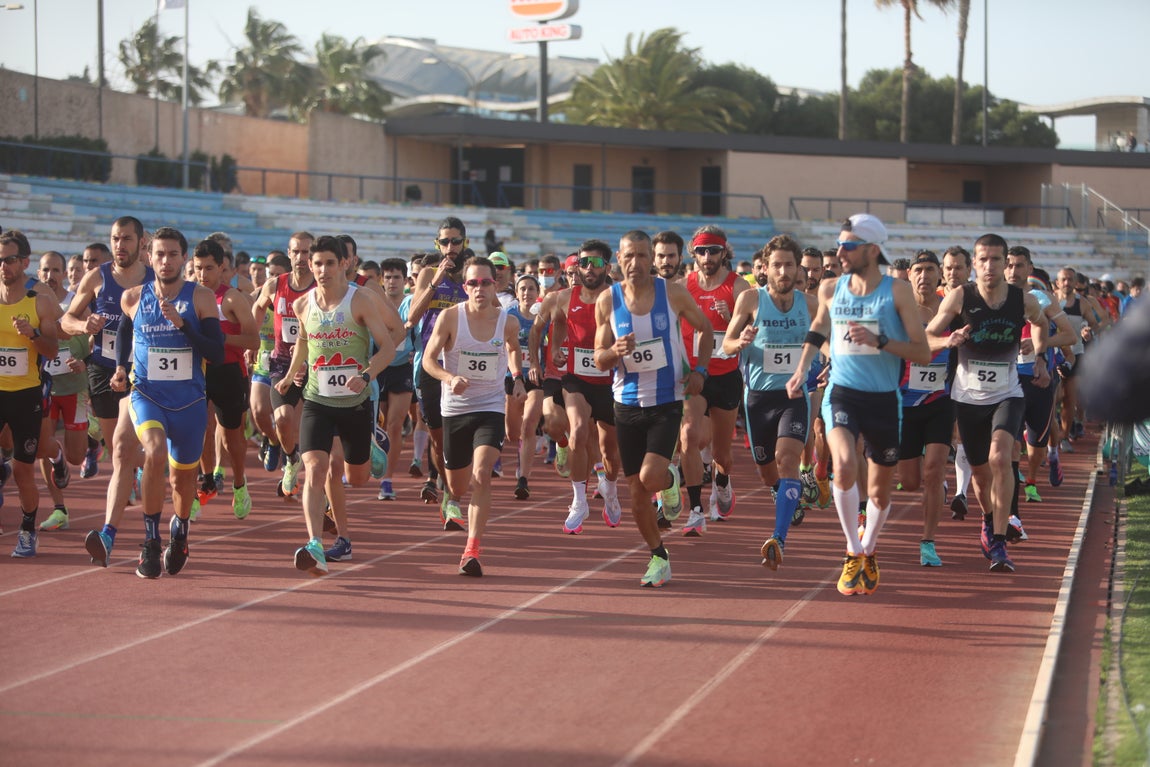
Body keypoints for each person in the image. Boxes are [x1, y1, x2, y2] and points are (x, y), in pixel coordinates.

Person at [786, 214, 931, 596]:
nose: (841, 252)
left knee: (882, 493)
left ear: (872, 249)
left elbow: (923, 352)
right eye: (839, 244)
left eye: (848, 246)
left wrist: (879, 340)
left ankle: (869, 550)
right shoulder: (832, 289)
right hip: (842, 392)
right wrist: (802, 368)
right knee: (845, 465)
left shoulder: (896, 292)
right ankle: (853, 550)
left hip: (883, 398)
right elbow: (817, 329)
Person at [593, 230, 713, 588]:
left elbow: (705, 329)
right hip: (626, 405)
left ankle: (669, 477)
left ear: (652, 258)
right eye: (629, 257)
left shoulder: (671, 292)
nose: (636, 264)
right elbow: (599, 359)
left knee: (648, 478)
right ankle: (658, 556)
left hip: (666, 401)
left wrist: (701, 372)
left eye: (643, 256)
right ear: (618, 258)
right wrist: (615, 352)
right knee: (637, 494)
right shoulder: (607, 300)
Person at [926, 234, 1049, 574]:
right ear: (975, 264)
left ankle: (998, 539)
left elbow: (1041, 324)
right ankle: (988, 518)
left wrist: (1039, 356)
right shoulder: (959, 296)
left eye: (998, 259)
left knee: (1000, 457)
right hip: (967, 397)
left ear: (1005, 262)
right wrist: (948, 340)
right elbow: (927, 337)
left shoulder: (1021, 299)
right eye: (984, 259)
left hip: (1007, 394)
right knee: (980, 474)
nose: (991, 266)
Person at [276, 236, 395, 575]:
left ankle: (370, 444)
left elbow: (386, 347)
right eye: (317, 264)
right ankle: (314, 543)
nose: (323, 270)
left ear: (344, 264)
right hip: (317, 400)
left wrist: (367, 374)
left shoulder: (360, 301)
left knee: (356, 478)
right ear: (309, 267)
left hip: (355, 402)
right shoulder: (304, 305)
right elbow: (302, 341)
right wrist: (288, 375)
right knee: (314, 468)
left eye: (330, 263)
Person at [111, 230, 226, 578]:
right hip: (147, 395)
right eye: (159, 254)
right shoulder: (133, 297)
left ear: (183, 259)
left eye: (173, 254)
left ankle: (181, 530)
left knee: (181, 482)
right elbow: (124, 334)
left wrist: (184, 325)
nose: (165, 261)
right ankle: (150, 541)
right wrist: (120, 366)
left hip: (189, 402)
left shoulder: (202, 298)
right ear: (149, 257)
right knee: (154, 452)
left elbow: (217, 354)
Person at [421, 255, 525, 576]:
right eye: (472, 283)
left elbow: (512, 348)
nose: (479, 289)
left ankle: (472, 548)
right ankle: (450, 497)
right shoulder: (451, 318)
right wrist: (450, 378)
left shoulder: (507, 321)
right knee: (458, 483)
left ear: (495, 285)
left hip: (490, 407)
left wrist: (517, 376)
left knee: (482, 474)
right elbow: (428, 360)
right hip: (455, 408)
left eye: (485, 282)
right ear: (464, 287)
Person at [723, 234, 817, 570]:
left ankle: (778, 538)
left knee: (787, 457)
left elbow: (828, 342)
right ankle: (784, 492)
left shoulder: (811, 305)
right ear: (765, 268)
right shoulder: (750, 300)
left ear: (797, 268)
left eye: (789, 264)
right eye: (776, 264)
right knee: (767, 473)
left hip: (793, 396)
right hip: (758, 400)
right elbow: (728, 345)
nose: (783, 270)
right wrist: (742, 339)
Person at [69, 217, 155, 568]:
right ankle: (138, 473)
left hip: (142, 375)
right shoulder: (98, 277)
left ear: (141, 242)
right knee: (117, 448)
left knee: (122, 449)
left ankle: (110, 532)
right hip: (103, 370)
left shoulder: (155, 280)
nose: (120, 245)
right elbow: (66, 321)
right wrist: (82, 324)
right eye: (115, 239)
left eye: (127, 239)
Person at [676, 225, 749, 535]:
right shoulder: (683, 287)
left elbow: (752, 326)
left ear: (724, 252)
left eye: (714, 251)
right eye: (702, 251)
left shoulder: (739, 287)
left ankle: (722, 480)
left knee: (722, 454)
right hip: (694, 376)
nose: (708, 257)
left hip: (726, 376)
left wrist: (732, 312)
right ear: (694, 253)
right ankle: (694, 510)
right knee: (689, 436)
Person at [549, 239, 623, 532]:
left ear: (607, 266)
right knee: (578, 431)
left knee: (610, 452)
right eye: (583, 262)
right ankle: (579, 500)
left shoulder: (619, 297)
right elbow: (558, 324)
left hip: (611, 381)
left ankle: (612, 491)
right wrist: (556, 348)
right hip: (576, 377)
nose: (588, 268)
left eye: (595, 262)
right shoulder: (566, 297)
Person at [0, 231, 60, 557]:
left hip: (26, 396)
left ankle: (27, 528)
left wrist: (33, 333)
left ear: (25, 261)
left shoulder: (40, 300)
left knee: (24, 469)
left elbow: (52, 351)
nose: (3, 266)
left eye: (9, 259)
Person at [894, 250, 955, 567]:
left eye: (930, 269)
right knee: (911, 481)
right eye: (918, 269)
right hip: (904, 404)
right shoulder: (899, 310)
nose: (924, 275)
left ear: (939, 275)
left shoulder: (951, 308)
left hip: (940, 401)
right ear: (911, 275)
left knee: (933, 471)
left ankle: (928, 542)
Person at [192, 238, 260, 520]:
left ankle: (240, 483)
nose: (202, 275)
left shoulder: (232, 298)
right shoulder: (189, 296)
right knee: (200, 429)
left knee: (233, 438)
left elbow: (253, 340)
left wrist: (222, 338)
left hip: (229, 372)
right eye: (198, 268)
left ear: (222, 268)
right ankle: (206, 480)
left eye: (209, 268)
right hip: (198, 372)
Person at [407, 218, 469, 521]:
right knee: (438, 436)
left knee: (459, 435)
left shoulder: (474, 276)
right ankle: (446, 487)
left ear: (465, 243)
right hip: (431, 365)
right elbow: (412, 317)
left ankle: (453, 496)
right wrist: (435, 281)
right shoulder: (430, 274)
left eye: (455, 242)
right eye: (444, 242)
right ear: (437, 244)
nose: (450, 248)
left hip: (464, 365)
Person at [251, 231, 316, 500]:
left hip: (317, 365)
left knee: (318, 435)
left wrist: (308, 361)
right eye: (296, 252)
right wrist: (252, 342)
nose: (301, 258)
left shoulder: (322, 287)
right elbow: (257, 309)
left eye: (307, 252)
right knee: (282, 419)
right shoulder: (276, 285)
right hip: (281, 363)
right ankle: (290, 458)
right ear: (288, 255)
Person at [36, 251, 90, 532]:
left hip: (74, 389)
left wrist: (84, 362)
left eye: (56, 270)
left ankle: (85, 445)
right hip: (44, 386)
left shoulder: (76, 305)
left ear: (65, 274)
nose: (50, 276)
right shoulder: (33, 303)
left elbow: (94, 341)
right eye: (45, 270)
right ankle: (59, 508)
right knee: (42, 445)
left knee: (77, 457)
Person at [376, 257, 416, 501]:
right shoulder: (373, 302)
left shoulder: (411, 303)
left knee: (394, 425)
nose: (392, 282)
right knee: (376, 424)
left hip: (402, 369)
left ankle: (387, 480)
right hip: (377, 367)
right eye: (388, 277)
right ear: (382, 280)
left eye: (397, 277)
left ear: (405, 280)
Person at [504, 273, 544, 499]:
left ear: (537, 293)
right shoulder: (508, 316)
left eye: (531, 289)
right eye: (523, 289)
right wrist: (514, 373)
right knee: (512, 432)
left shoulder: (542, 317)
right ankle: (521, 457)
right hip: (512, 376)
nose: (527, 293)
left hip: (536, 377)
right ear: (517, 293)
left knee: (529, 426)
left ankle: (523, 479)